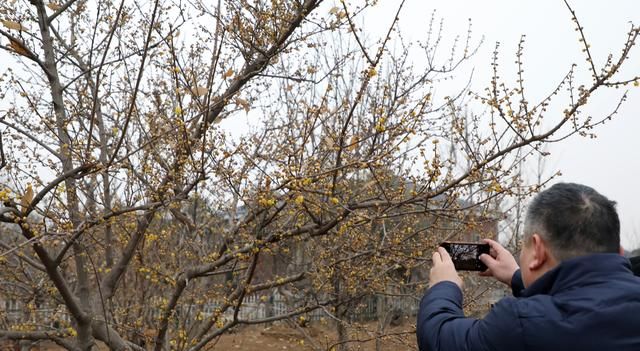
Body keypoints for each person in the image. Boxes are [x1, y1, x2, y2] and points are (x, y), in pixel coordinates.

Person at [416, 182, 640, 351]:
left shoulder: (521, 323)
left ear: (538, 250)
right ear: (619, 252)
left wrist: (444, 286)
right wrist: (516, 276)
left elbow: (439, 337)